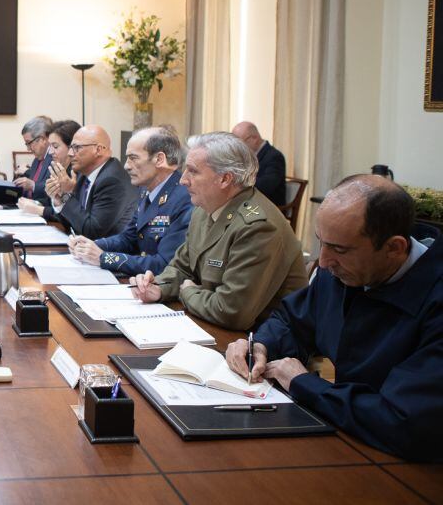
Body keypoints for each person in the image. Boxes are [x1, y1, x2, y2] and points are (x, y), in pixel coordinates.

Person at [225, 176, 442, 462]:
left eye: (339, 249)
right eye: (321, 243)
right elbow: (293, 320)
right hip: (351, 434)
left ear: (395, 248)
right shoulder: (346, 270)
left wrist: (304, 383)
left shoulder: (433, 301)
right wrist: (261, 345)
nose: (323, 262)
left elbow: (403, 421)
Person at [130, 131, 306, 331]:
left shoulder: (257, 227)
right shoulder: (204, 210)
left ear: (225, 179)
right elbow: (182, 267)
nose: (182, 180)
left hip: (261, 346)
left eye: (193, 171)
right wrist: (158, 288)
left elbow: (231, 311)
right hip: (212, 326)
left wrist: (187, 292)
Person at [69, 126, 192, 276]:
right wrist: (91, 245)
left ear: (159, 159)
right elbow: (129, 237)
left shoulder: (184, 198)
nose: (126, 166)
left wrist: (104, 258)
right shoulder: (146, 189)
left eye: (133, 158)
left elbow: (165, 264)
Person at [52, 124, 135, 239]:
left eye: (76, 147)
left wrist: (66, 196)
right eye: (71, 147)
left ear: (98, 150)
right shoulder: (83, 174)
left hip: (109, 252)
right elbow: (72, 225)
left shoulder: (112, 181)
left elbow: (92, 232)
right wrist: (59, 199)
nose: (70, 153)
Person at [17, 119, 80, 220]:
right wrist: (37, 203)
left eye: (55, 146)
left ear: (71, 147)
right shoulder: (55, 164)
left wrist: (39, 209)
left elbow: (73, 215)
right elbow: (51, 199)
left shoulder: (78, 173)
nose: (50, 152)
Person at [231, 121, 286, 206]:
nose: (237, 147)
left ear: (254, 138)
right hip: (249, 201)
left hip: (268, 206)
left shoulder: (274, 156)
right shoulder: (247, 155)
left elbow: (266, 186)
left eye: (239, 143)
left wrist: (238, 182)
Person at [13, 116, 53, 203]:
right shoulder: (37, 159)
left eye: (29, 143)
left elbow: (55, 189)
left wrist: (33, 185)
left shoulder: (56, 158)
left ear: (42, 139)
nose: (28, 149)